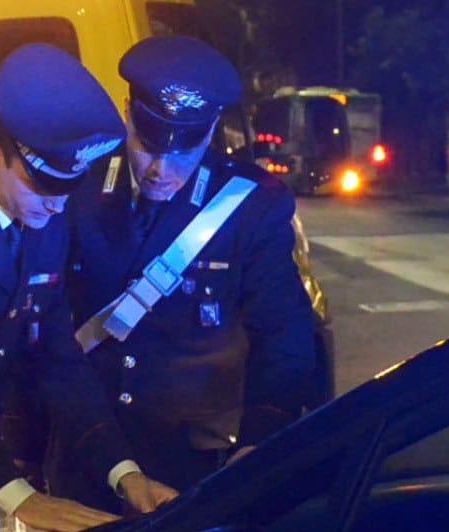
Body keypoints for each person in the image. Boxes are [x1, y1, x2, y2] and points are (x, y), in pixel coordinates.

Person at [54, 34, 316, 507]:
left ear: (213, 126)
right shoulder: (79, 186)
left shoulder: (249, 205)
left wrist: (260, 440)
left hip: (196, 464)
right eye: (148, 144)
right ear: (127, 111)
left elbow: (285, 337)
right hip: (91, 449)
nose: (161, 169)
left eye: (184, 149)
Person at [0, 44, 172, 532]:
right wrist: (17, 496)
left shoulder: (43, 216)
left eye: (67, 191)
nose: (57, 208)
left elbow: (55, 358)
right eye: (43, 188)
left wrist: (124, 472)